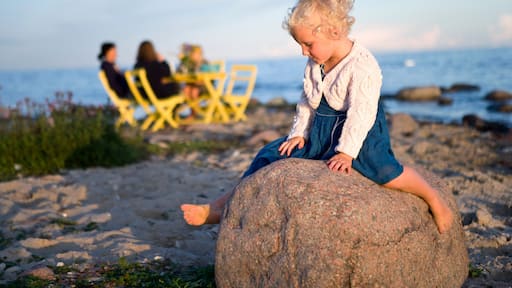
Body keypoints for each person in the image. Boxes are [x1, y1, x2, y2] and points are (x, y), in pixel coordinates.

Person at [181, 0, 454, 233]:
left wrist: (347, 153)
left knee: (382, 169)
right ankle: (220, 206)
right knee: (270, 154)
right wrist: (298, 133)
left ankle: (433, 197)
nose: (303, 51)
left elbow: (361, 114)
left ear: (334, 31)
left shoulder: (362, 66)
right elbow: (306, 101)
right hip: (321, 129)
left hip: (359, 131)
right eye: (300, 44)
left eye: (308, 44)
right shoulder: (316, 62)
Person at [177, 44, 209, 118]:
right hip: (192, 85)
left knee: (194, 91)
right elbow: (180, 71)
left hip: (205, 87)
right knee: (186, 90)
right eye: (193, 54)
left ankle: (196, 113)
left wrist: (198, 65)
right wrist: (183, 60)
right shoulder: (189, 63)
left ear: (200, 54)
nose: (194, 56)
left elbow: (208, 77)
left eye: (196, 54)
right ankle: (193, 112)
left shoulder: (204, 63)